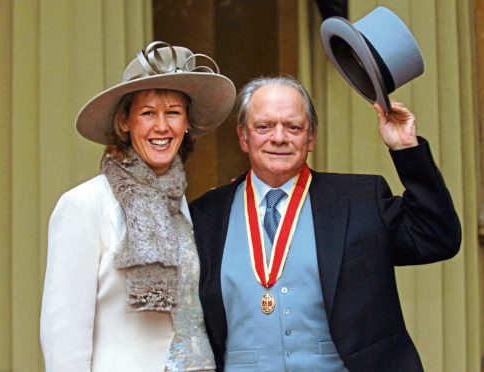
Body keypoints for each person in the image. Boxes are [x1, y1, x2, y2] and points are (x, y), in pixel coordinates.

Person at [189, 76, 461, 371]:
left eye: (293, 127)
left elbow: (436, 237)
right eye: (264, 126)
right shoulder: (205, 215)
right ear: (243, 136)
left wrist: (406, 149)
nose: (279, 138)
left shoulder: (359, 201)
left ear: (311, 138)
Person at [40, 41, 235, 372]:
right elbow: (64, 335)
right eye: (148, 113)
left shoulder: (184, 209)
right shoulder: (84, 205)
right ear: (125, 122)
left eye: (173, 112)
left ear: (186, 123)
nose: (162, 126)